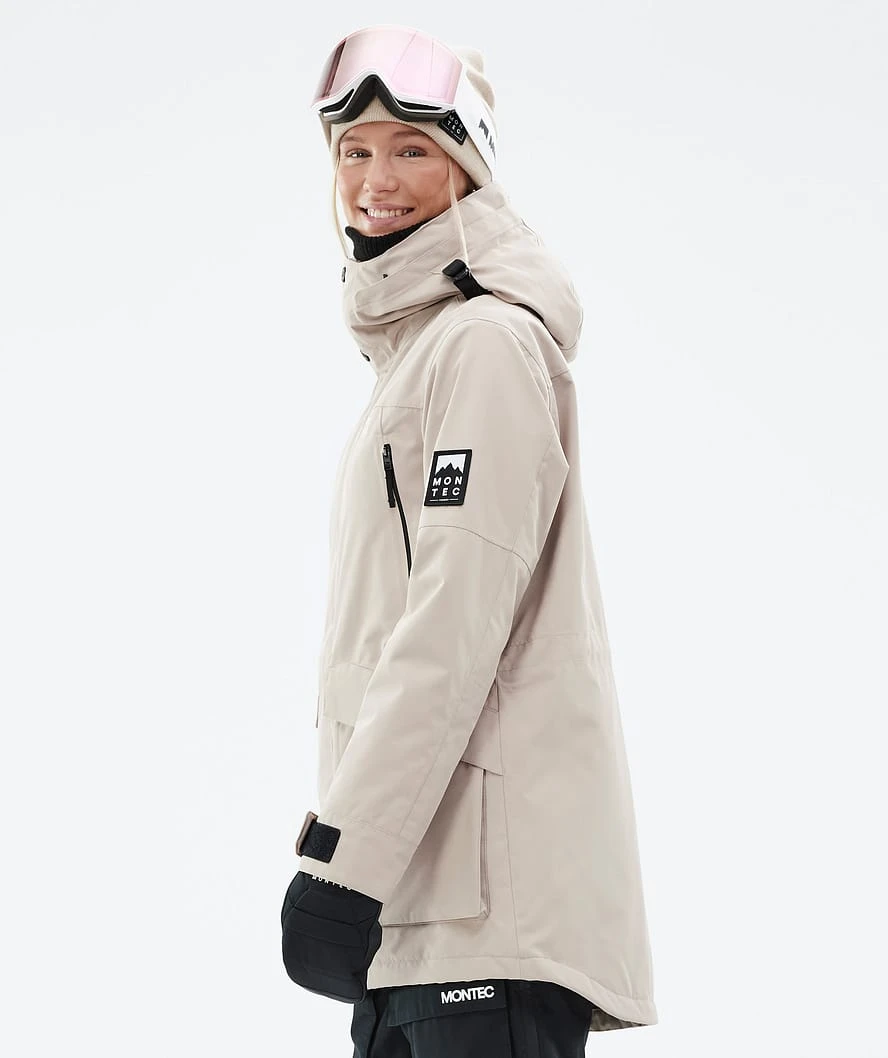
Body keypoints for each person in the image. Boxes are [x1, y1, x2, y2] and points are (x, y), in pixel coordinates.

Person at [281, 25, 658, 1056]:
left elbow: (455, 620)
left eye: (412, 149)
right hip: (423, 918)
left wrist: (342, 861)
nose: (375, 180)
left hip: (489, 920)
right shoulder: (420, 357)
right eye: (354, 151)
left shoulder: (486, 343)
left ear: (468, 165)